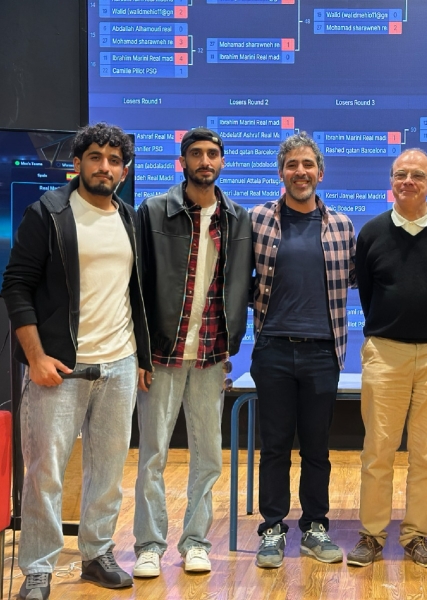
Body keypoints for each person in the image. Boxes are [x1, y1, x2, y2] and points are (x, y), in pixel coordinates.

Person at [1, 123, 151, 599]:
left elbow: (135, 295)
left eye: (114, 160)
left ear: (124, 171)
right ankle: (38, 568)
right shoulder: (47, 212)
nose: (105, 167)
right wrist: (36, 357)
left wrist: (141, 357)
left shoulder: (129, 218)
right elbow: (16, 286)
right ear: (78, 163)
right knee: (44, 474)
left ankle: (96, 554)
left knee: (107, 472)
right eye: (95, 157)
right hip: (59, 369)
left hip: (119, 365)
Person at [132, 128, 252, 577]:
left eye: (213, 154)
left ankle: (196, 541)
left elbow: (241, 285)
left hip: (210, 355)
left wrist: (232, 342)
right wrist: (141, 352)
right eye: (196, 154)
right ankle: (149, 545)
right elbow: (136, 285)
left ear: (222, 162)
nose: (205, 161)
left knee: (208, 457)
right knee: (153, 455)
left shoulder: (237, 219)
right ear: (182, 162)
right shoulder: (152, 211)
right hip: (162, 356)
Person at [346, 148, 427, 568]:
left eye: (417, 175)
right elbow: (368, 294)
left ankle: (417, 536)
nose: (408, 181)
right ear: (391, 182)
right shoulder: (372, 232)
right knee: (378, 451)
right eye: (400, 174)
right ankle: (372, 535)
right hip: (385, 352)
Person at [249, 132, 356, 568]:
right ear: (281, 173)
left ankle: (315, 526)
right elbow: (239, 281)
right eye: (292, 164)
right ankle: (272, 529)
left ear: (320, 172)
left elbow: (357, 279)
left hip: (322, 353)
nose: (300, 172)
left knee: (316, 448)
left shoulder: (342, 226)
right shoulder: (258, 220)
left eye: (308, 164)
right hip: (272, 350)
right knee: (274, 447)